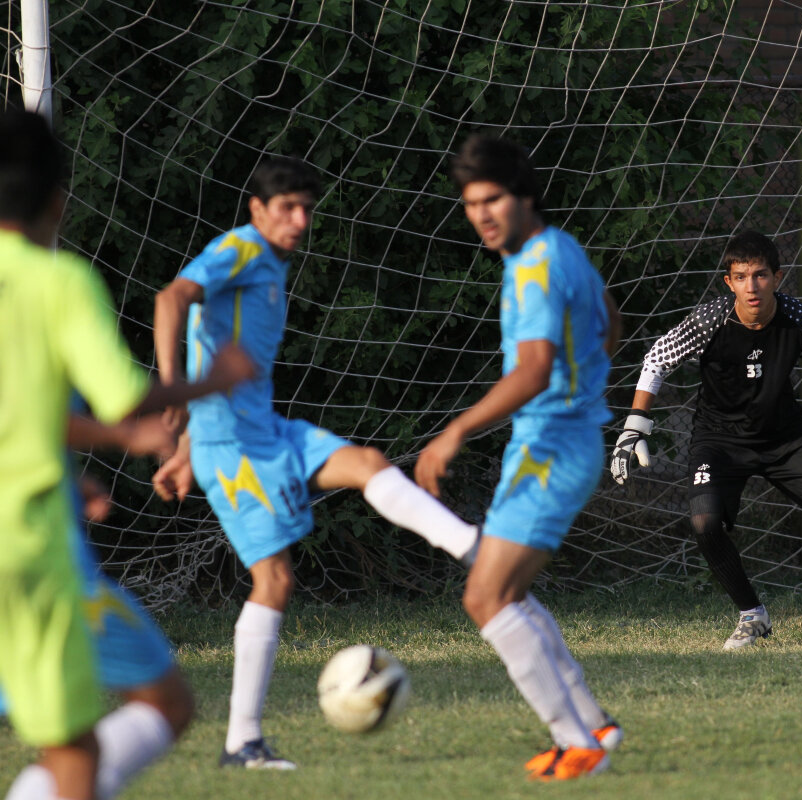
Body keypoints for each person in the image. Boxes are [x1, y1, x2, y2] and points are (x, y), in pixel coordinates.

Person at [152, 155, 481, 770]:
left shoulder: (270, 264)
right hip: (237, 449)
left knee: (367, 463)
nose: (299, 220)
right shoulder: (240, 249)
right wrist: (173, 394)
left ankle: (471, 548)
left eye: (307, 209)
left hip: (265, 431)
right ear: (257, 209)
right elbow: (172, 300)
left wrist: (186, 449)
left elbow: (208, 350)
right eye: (287, 208)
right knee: (274, 581)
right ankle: (242, 741)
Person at [0, 109, 253, 800]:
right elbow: (124, 397)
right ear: (58, 201)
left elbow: (28, 413)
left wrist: (80, 464)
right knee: (79, 748)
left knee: (122, 721)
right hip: (33, 550)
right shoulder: (57, 283)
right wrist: (213, 381)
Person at [415, 134, 622, 781]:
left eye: (493, 199)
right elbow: (611, 322)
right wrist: (585, 386)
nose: (481, 214)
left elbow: (533, 370)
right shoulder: (561, 249)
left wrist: (454, 431)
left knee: (486, 596)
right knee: (504, 591)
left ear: (525, 196)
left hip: (552, 448)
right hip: (554, 443)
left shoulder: (535, 266)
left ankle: (577, 743)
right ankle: (593, 725)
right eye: (472, 203)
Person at [610, 231, 802, 649]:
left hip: (785, 438)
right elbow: (657, 357)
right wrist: (635, 425)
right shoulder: (710, 321)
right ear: (729, 282)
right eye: (741, 277)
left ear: (777, 277)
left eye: (760, 275)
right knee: (704, 523)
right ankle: (752, 615)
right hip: (719, 441)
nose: (752, 286)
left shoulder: (798, 319)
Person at [5, 411, 193, 800]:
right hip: (42, 568)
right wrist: (130, 433)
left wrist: (65, 482)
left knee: (77, 746)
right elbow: (30, 413)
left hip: (41, 560)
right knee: (84, 742)